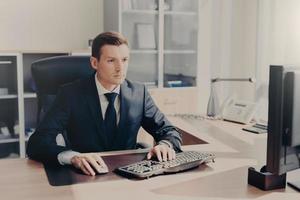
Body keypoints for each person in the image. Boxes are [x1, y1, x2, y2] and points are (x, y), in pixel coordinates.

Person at [27, 31, 182, 176]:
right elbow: (37, 143)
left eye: (124, 60)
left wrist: (165, 145)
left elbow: (169, 131)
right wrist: (72, 157)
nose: (120, 68)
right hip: (87, 174)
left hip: (129, 173)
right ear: (95, 63)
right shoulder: (71, 94)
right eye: (111, 61)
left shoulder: (138, 93)